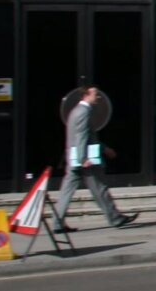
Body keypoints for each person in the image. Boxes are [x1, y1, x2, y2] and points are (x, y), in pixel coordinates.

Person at [53, 86, 138, 231]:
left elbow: (84, 136)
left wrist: (104, 148)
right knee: (99, 188)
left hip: (74, 158)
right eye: (95, 94)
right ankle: (115, 218)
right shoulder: (84, 112)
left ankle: (57, 223)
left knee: (66, 191)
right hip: (85, 159)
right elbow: (82, 136)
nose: (98, 97)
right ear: (86, 95)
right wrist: (83, 158)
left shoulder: (75, 111)